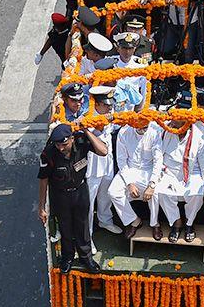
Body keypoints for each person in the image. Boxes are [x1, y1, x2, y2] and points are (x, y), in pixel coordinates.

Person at [37, 123, 106, 274]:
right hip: (60, 195)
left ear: (72, 139)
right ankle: (67, 257)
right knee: (65, 227)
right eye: (57, 144)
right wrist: (41, 207)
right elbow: (43, 180)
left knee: (82, 225)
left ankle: (85, 257)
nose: (60, 148)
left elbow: (103, 151)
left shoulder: (81, 142)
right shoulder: (49, 153)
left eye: (64, 144)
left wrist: (87, 131)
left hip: (80, 191)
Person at [154, 93, 204, 243]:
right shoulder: (164, 131)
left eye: (179, 120)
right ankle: (176, 223)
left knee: (196, 193)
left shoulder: (200, 135)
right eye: (174, 118)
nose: (174, 122)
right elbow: (157, 156)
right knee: (160, 191)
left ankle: (189, 224)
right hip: (169, 172)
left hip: (193, 172)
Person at [108, 121, 164, 238]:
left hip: (149, 169)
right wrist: (129, 183)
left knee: (156, 192)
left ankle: (154, 223)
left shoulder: (155, 130)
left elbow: (158, 160)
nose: (143, 130)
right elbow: (121, 160)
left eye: (145, 127)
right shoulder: (124, 131)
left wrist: (152, 184)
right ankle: (134, 220)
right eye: (140, 127)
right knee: (113, 192)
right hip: (129, 168)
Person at [86, 85, 123, 246]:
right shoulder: (89, 117)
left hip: (107, 162)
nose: (110, 107)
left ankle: (105, 220)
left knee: (105, 194)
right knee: (89, 201)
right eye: (107, 105)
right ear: (98, 104)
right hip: (92, 166)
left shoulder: (107, 114)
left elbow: (114, 127)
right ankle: (87, 236)